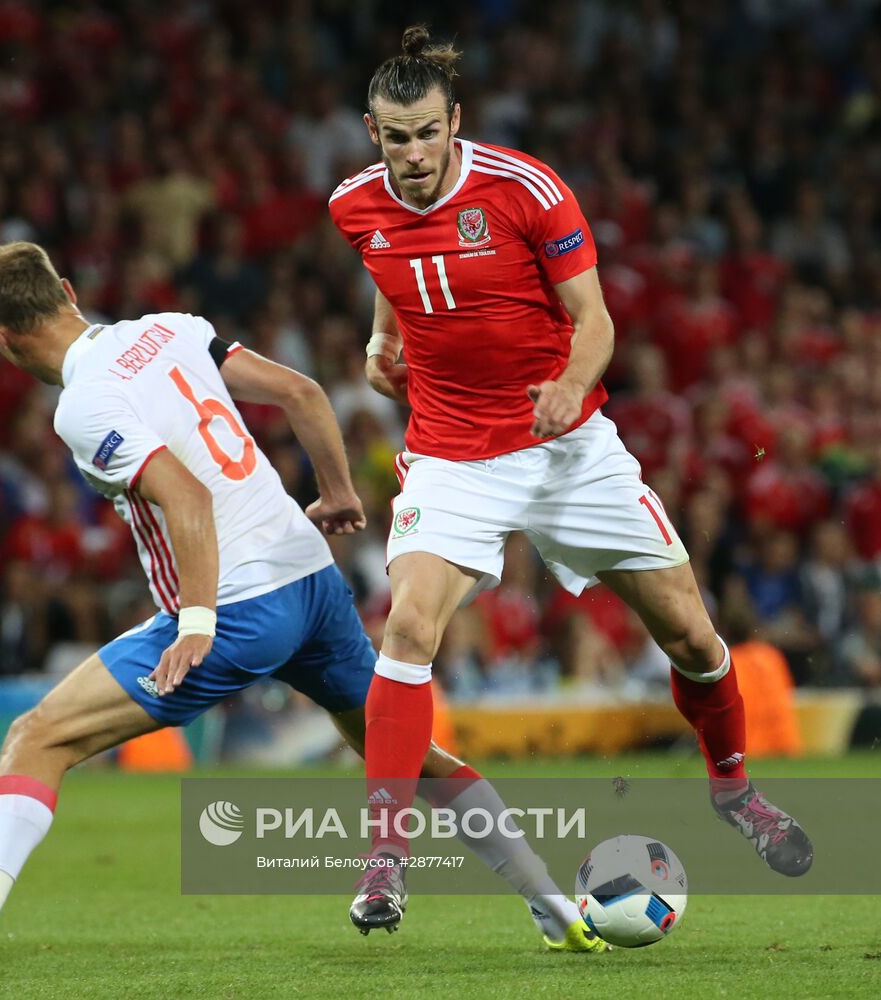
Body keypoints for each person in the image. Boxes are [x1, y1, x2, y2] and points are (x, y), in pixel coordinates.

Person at [0, 242, 604, 970]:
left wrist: (196, 622)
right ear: (67, 290)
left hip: (236, 611)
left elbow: (182, 496)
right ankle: (552, 904)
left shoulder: (83, 406)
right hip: (313, 583)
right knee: (399, 749)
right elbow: (303, 393)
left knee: (37, 736)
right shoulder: (170, 328)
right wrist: (339, 492)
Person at [329, 26, 812, 934]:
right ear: (371, 132)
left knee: (694, 638)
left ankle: (733, 790)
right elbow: (387, 269)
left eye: (428, 132)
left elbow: (595, 321)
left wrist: (567, 383)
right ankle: (385, 861)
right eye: (396, 137)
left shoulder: (526, 189)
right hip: (451, 453)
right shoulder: (353, 205)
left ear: (454, 120)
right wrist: (381, 343)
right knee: (406, 624)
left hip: (566, 447)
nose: (414, 154)